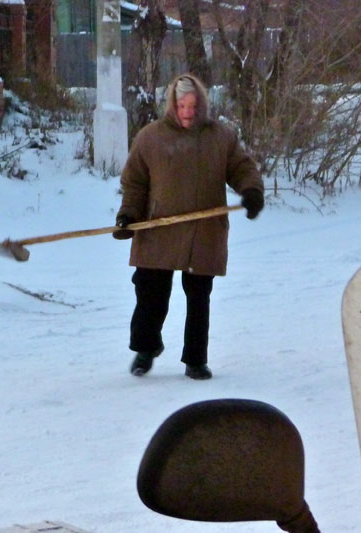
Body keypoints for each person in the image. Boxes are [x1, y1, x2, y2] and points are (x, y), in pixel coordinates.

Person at [114, 73, 264, 380]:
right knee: (149, 291)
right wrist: (129, 215)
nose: (188, 112)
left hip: (203, 232)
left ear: (202, 105)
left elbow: (241, 167)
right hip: (159, 229)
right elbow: (135, 183)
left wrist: (251, 191)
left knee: (199, 296)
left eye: (193, 105)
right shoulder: (151, 138)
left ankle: (195, 359)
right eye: (182, 105)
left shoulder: (220, 137)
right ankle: (146, 347)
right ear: (172, 104)